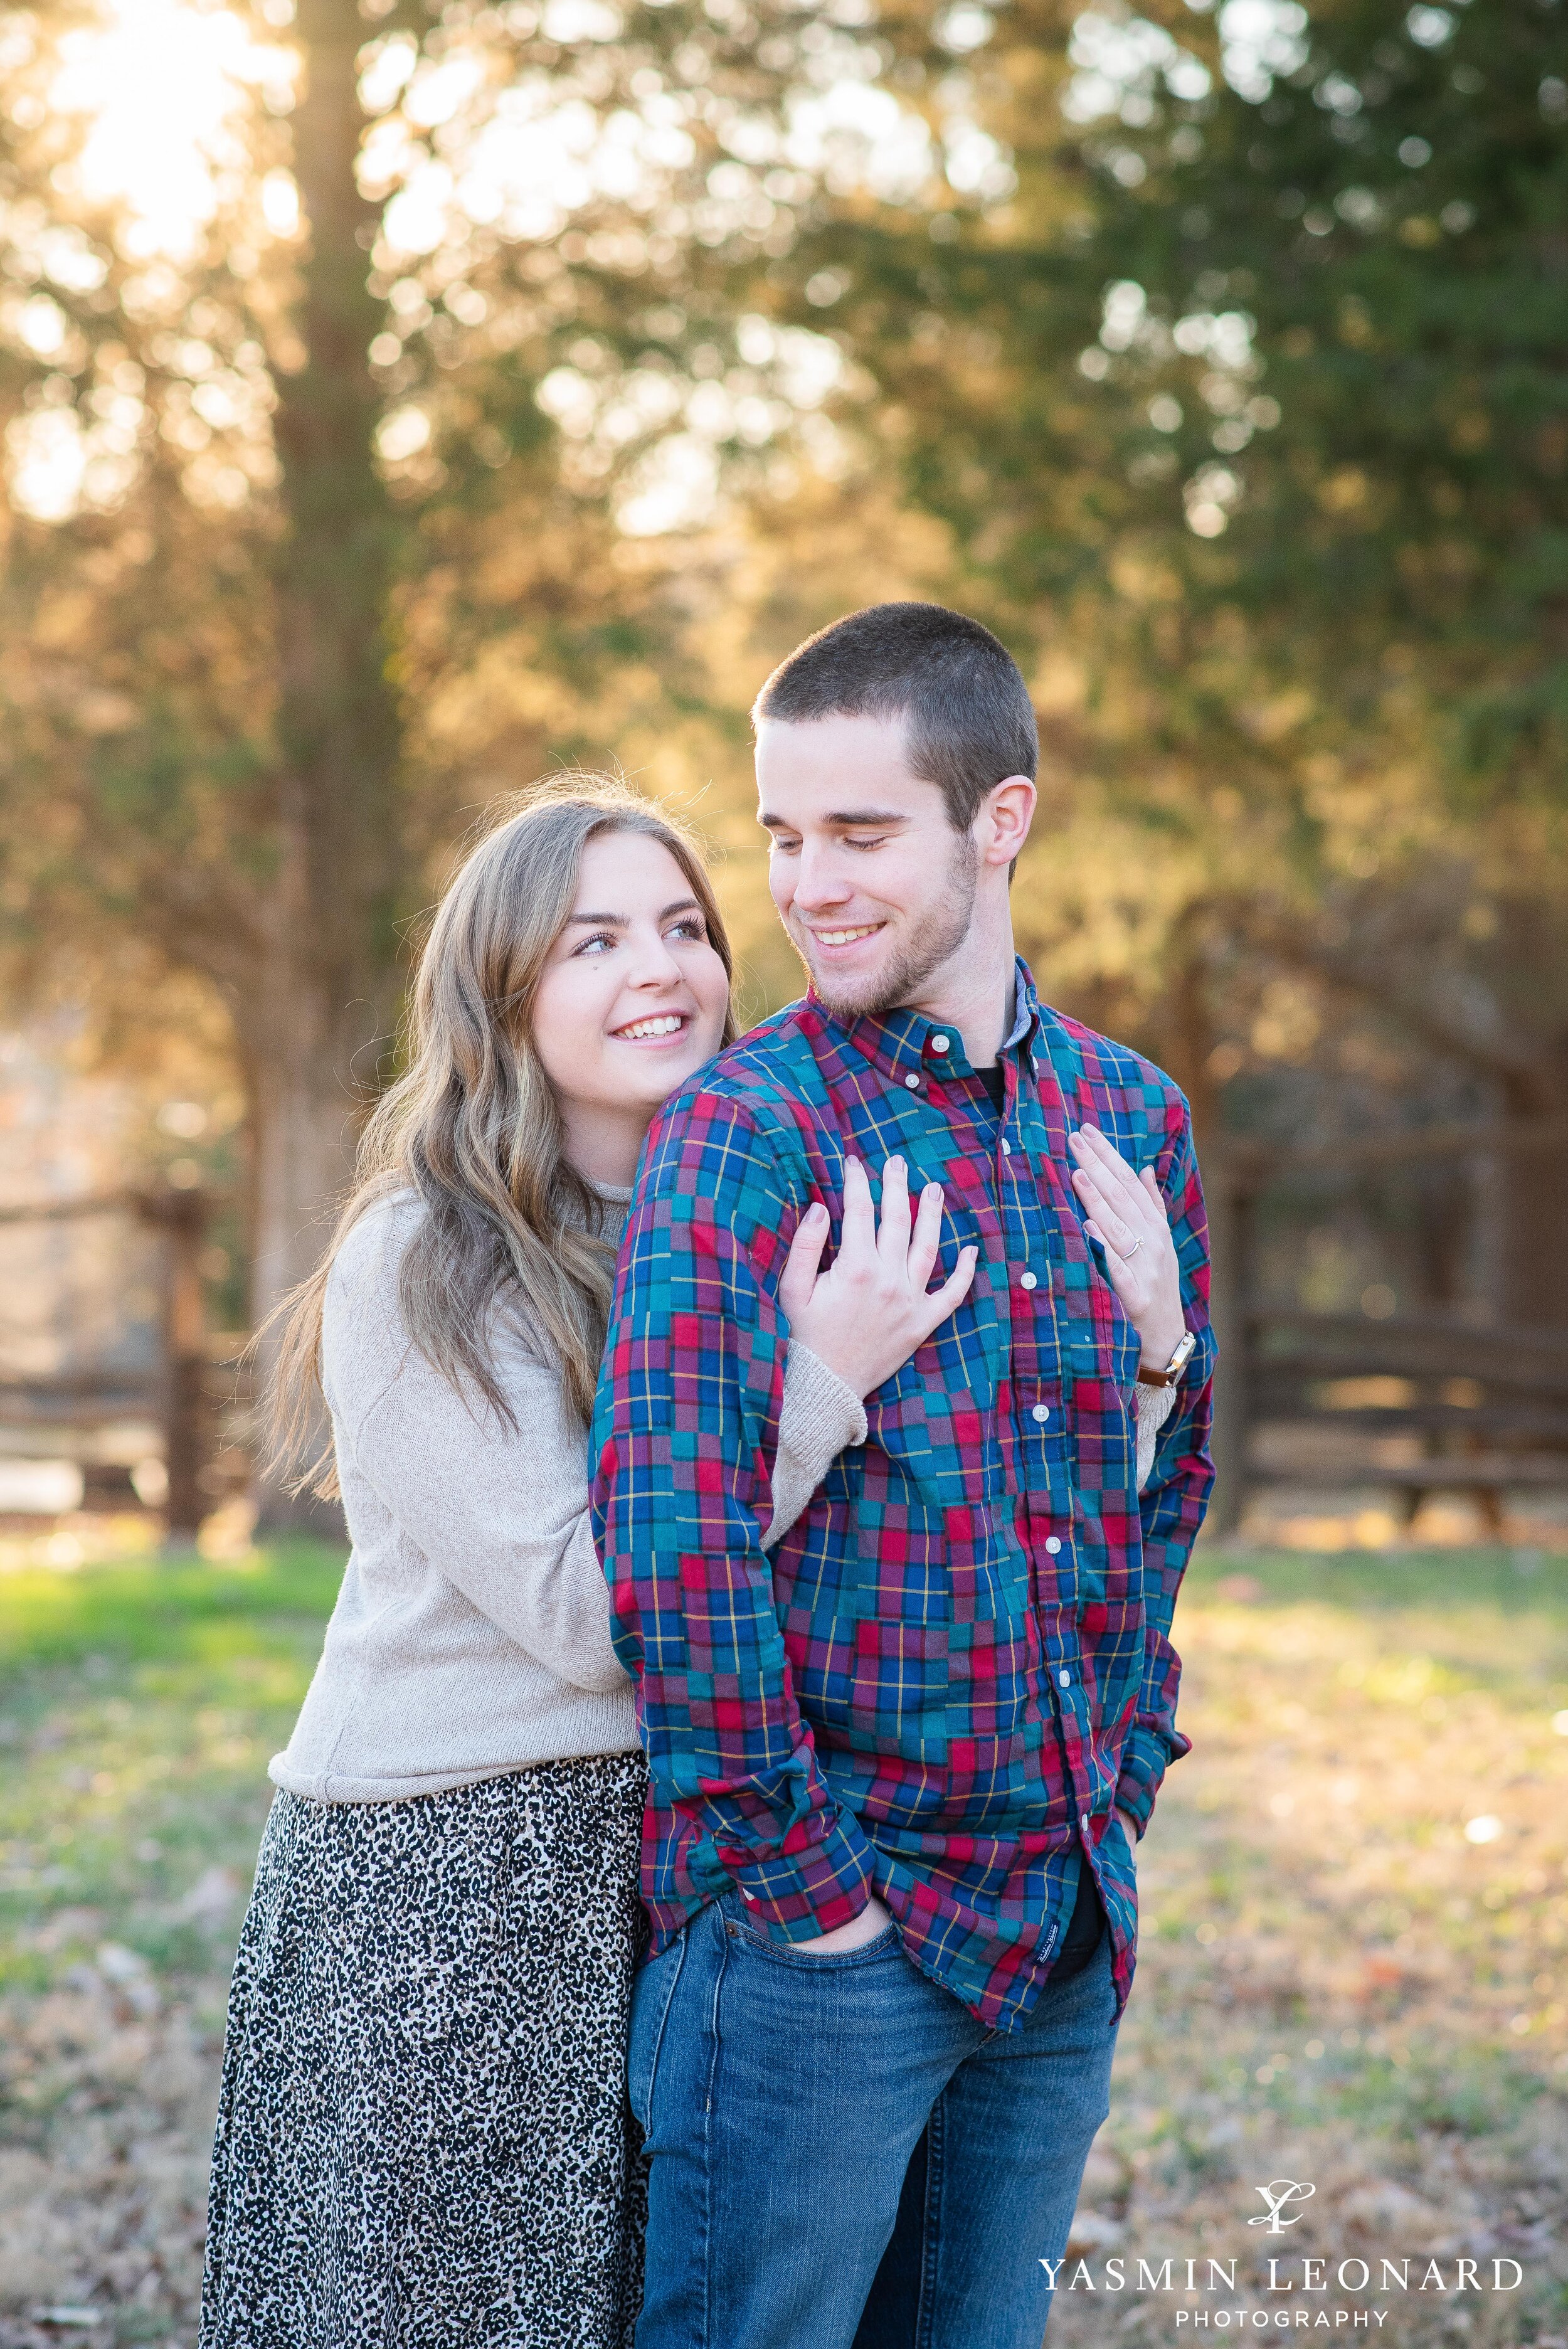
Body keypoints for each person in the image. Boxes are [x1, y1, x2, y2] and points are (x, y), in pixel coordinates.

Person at [199, 782, 974, 2349]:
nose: (661, 969)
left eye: (684, 927)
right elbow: (587, 1615)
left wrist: (1162, 1354)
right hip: (450, 1880)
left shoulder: (753, 1218)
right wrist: (817, 1383)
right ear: (502, 992)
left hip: (690, 1859)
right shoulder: (424, 1252)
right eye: (594, 940)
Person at [590, 604, 1216, 2349]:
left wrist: (1127, 1767)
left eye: (859, 834)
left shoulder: (1130, 1120)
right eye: (780, 836)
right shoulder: (746, 1129)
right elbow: (672, 1550)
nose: (806, 885)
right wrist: (806, 1903)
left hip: (1058, 1928)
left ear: (995, 820)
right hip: (822, 1953)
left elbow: (1157, 1492)